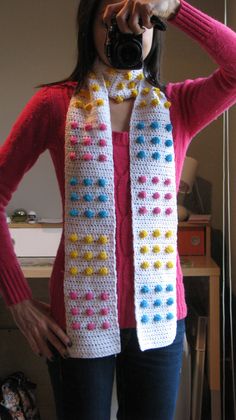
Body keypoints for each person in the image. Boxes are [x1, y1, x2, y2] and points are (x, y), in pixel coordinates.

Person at [0, 0, 236, 419]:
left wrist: (176, 8)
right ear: (89, 27)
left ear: (155, 29)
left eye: (143, 21)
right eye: (113, 20)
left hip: (160, 323)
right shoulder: (57, 104)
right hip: (77, 321)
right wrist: (17, 299)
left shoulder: (177, 106)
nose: (130, 31)